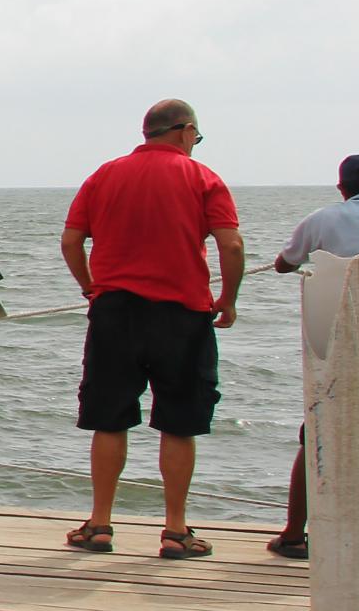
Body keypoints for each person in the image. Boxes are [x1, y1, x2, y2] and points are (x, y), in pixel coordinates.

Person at [58, 100, 243, 558]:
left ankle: (100, 524)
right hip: (182, 314)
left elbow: (71, 240)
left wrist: (90, 287)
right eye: (196, 137)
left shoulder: (104, 176)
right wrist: (229, 298)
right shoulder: (203, 178)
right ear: (186, 131)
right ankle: (175, 530)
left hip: (115, 312)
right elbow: (231, 244)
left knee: (109, 418)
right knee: (179, 422)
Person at [266, 152, 359, 557]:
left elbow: (284, 263)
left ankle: (294, 534)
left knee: (316, 435)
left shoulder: (325, 219)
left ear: (342, 188)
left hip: (347, 346)